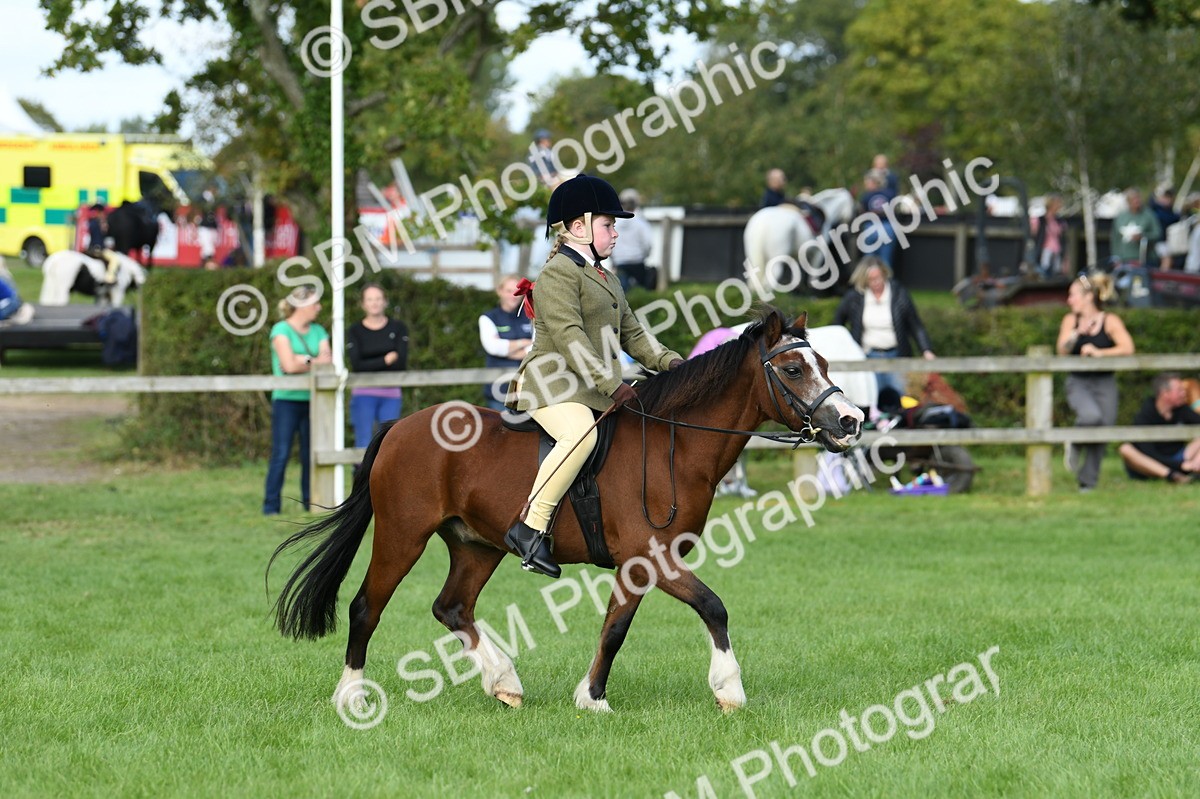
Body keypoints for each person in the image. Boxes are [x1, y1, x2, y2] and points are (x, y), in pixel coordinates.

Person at [506, 174, 685, 578]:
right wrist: (612, 384)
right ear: (578, 227)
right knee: (579, 434)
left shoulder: (608, 278)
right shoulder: (557, 274)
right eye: (609, 225)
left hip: (591, 387)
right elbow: (570, 339)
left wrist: (674, 364)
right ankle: (531, 527)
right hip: (552, 384)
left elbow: (634, 334)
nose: (616, 233)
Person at [1056, 272, 1134, 492]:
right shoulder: (1070, 320)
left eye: (1073, 295)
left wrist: (1100, 353)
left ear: (1088, 296)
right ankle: (1075, 442)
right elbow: (1062, 351)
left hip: (1104, 382)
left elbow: (1127, 348)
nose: (1069, 300)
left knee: (1103, 429)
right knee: (1091, 417)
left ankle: (1087, 483)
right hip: (1078, 382)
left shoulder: (1110, 320)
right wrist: (1075, 335)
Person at [263, 286, 332, 515]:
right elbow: (289, 366)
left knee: (309, 455)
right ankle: (271, 506)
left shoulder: (319, 331)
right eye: (315, 303)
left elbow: (327, 361)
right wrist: (312, 362)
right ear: (302, 305)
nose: (319, 308)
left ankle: (309, 503)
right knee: (281, 453)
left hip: (313, 400)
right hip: (286, 401)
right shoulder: (280, 330)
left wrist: (303, 360)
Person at [833, 256, 934, 396]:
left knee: (901, 398)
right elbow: (837, 325)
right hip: (867, 357)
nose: (876, 282)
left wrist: (926, 349)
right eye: (871, 279)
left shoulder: (899, 293)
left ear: (885, 274)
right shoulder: (854, 297)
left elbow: (915, 325)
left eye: (879, 277)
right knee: (870, 399)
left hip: (896, 357)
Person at [346, 283, 409, 452]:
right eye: (370, 299)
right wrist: (385, 360)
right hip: (363, 394)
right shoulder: (355, 330)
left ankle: (384, 479)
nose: (374, 303)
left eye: (378, 299)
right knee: (363, 441)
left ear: (385, 302)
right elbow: (357, 365)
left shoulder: (398, 328)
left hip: (391, 394)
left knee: (389, 441)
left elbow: (401, 363)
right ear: (363, 303)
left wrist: (372, 363)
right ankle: (360, 477)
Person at [1117, 373, 1200, 483]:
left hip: (1180, 458)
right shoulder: (1144, 416)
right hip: (1152, 464)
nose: (1184, 393)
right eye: (1179, 390)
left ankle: (1191, 471)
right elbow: (1148, 453)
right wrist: (1181, 466)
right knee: (1125, 449)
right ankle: (1172, 476)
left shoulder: (1182, 409)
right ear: (1165, 394)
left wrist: (1195, 461)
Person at [479, 274, 533, 412]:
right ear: (499, 291)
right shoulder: (488, 318)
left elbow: (536, 346)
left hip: (527, 390)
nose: (513, 295)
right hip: (498, 391)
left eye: (516, 291)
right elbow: (493, 347)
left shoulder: (530, 316)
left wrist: (507, 349)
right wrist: (523, 342)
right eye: (509, 291)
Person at [612, 188, 656, 290]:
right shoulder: (641, 223)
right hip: (638, 264)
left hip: (619, 263)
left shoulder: (614, 223)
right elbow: (648, 244)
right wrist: (644, 256)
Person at [1110, 188, 1162, 266]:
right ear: (1128, 201)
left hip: (1146, 258)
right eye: (1133, 199)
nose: (1136, 201)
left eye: (1138, 198)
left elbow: (1157, 233)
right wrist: (1116, 258)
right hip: (1125, 259)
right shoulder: (1121, 217)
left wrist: (1143, 236)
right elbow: (1115, 239)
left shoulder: (1149, 215)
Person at [858, 169, 898, 268]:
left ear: (874, 182)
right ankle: (886, 281)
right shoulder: (890, 194)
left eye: (867, 182)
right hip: (887, 228)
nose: (865, 184)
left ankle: (868, 281)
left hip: (870, 228)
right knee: (885, 261)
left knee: (868, 261)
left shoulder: (866, 196)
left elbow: (861, 212)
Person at [1031, 194, 1068, 278]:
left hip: (1057, 251)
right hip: (1044, 251)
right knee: (1044, 271)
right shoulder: (1040, 220)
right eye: (1057, 203)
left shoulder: (1060, 221)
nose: (1059, 206)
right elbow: (1034, 235)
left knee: (1056, 273)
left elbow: (1063, 238)